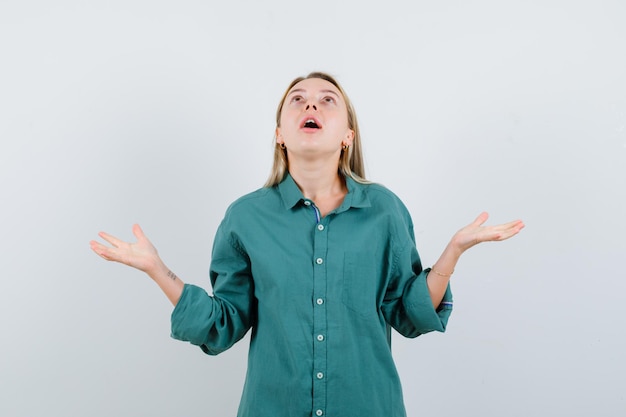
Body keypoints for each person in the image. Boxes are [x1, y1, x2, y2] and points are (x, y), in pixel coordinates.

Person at [90, 71, 524, 417]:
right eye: (297, 99)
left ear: (347, 136)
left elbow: (408, 313)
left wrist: (452, 253)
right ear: (280, 133)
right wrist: (157, 270)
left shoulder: (385, 211)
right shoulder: (245, 217)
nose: (311, 103)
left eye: (326, 99)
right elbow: (223, 324)